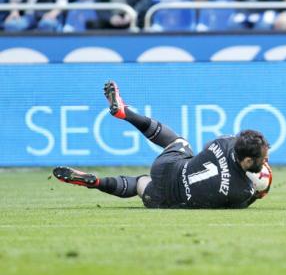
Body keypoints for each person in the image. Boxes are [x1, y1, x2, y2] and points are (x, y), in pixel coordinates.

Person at [53, 81, 270, 209]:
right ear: (248, 160)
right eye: (263, 158)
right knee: (139, 183)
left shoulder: (225, 143)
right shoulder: (242, 191)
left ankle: (125, 113)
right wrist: (257, 194)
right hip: (164, 197)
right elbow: (239, 201)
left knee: (180, 142)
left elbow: (208, 147)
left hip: (167, 166)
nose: (266, 161)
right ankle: (97, 182)